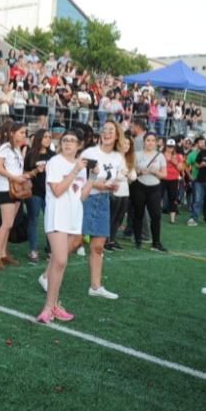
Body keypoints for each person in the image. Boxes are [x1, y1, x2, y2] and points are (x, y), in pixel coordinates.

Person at [37, 128, 91, 323]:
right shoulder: (55, 162)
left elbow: (81, 196)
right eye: (65, 140)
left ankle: (55, 305)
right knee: (60, 261)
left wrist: (92, 178)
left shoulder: (81, 166)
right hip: (57, 216)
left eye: (72, 141)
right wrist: (75, 170)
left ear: (79, 145)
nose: (67, 143)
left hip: (73, 216)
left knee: (57, 262)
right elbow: (58, 190)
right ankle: (48, 307)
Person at [78, 121, 125, 299]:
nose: (106, 133)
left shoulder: (117, 158)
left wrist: (113, 186)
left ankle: (95, 287)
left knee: (98, 247)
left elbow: (117, 179)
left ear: (117, 135)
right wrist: (105, 185)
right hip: (86, 200)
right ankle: (47, 275)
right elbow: (83, 179)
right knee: (74, 242)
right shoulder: (90, 153)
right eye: (104, 129)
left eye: (111, 130)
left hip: (104, 200)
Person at [0, 121, 30, 269]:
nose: (24, 135)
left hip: (16, 189)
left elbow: (15, 170)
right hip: (5, 189)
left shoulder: (17, 150)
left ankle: (2, 254)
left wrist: (24, 176)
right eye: (21, 132)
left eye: (25, 132)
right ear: (12, 133)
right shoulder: (5, 148)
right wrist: (15, 178)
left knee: (10, 224)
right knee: (6, 223)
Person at [132, 132, 168, 252]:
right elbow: (131, 171)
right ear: (144, 142)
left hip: (155, 188)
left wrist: (155, 172)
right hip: (139, 186)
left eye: (153, 140)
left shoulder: (160, 156)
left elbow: (164, 174)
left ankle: (156, 242)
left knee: (156, 216)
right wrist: (140, 171)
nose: (150, 143)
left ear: (156, 142)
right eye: (148, 140)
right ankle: (138, 240)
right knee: (138, 214)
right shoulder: (137, 154)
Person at [24, 128, 54, 264]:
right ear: (39, 138)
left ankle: (50, 250)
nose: (48, 139)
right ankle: (33, 249)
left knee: (50, 221)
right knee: (33, 220)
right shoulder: (30, 155)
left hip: (50, 193)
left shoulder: (53, 156)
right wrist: (36, 170)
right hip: (34, 192)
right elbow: (24, 173)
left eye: (49, 137)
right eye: (45, 136)